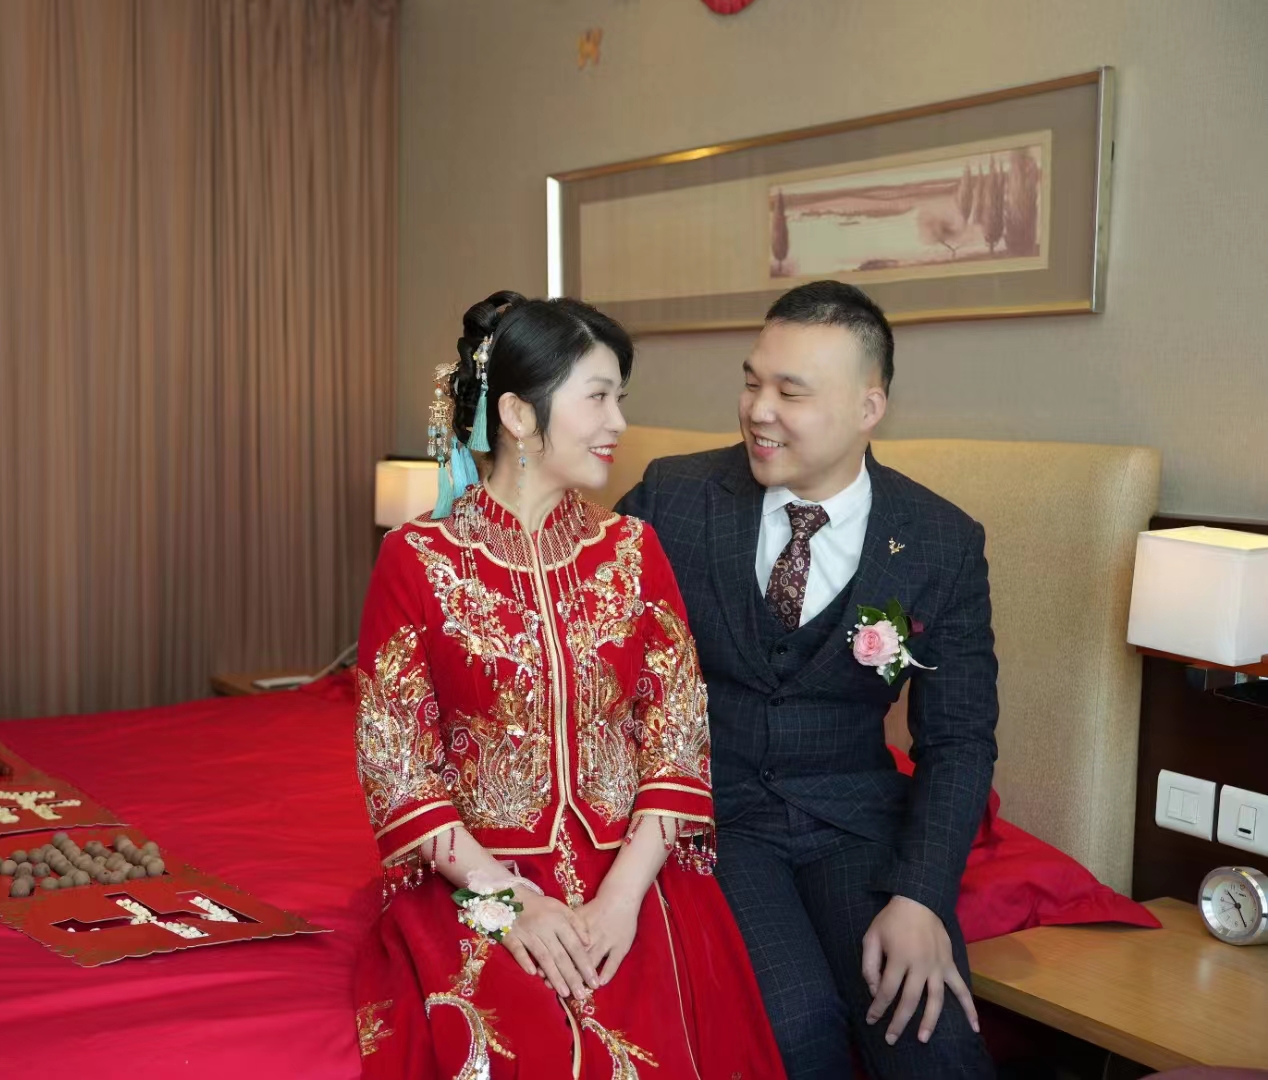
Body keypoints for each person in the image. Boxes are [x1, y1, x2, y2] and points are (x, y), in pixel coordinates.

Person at [353, 291, 786, 1079]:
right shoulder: (415, 560)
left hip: (634, 875)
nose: (618, 421)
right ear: (519, 415)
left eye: (620, 397)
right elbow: (397, 767)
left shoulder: (634, 550)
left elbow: (678, 739)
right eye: (598, 397)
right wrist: (506, 900)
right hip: (471, 877)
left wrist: (621, 899)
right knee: (525, 1041)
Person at [616, 280, 998, 1079]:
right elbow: (591, 654)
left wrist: (922, 895)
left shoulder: (941, 541)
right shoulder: (674, 497)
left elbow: (959, 739)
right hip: (717, 821)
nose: (758, 410)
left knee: (931, 1038)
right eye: (752, 382)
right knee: (793, 1029)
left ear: (868, 407)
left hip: (852, 823)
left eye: (790, 393)